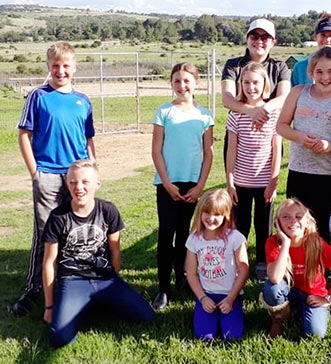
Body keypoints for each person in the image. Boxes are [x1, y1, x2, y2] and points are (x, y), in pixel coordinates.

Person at [11, 41, 96, 316]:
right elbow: (25, 134)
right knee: (47, 233)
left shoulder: (83, 101)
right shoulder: (38, 96)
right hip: (47, 173)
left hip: (77, 177)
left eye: (66, 66)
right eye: (56, 66)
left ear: (75, 67)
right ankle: (34, 288)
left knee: (75, 230)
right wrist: (35, 172)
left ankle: (68, 282)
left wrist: (93, 170)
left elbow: (88, 139)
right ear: (48, 67)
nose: (61, 71)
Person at [42, 160, 156, 348]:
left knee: (147, 316)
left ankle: (97, 301)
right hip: (73, 280)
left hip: (105, 277)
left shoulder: (108, 210)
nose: (79, 187)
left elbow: (115, 250)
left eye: (85, 182)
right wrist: (49, 307)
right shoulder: (58, 217)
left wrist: (115, 280)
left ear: (97, 183)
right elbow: (49, 263)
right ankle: (83, 303)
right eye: (73, 182)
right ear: (67, 184)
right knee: (60, 339)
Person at [151, 62, 214, 310]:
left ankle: (184, 278)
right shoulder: (164, 112)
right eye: (177, 80)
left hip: (191, 183)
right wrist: (166, 183)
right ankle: (163, 288)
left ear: (196, 82)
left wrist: (200, 186)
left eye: (187, 80)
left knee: (186, 235)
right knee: (166, 234)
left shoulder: (205, 115)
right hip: (167, 183)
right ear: (171, 83)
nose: (182, 85)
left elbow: (208, 154)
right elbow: (156, 150)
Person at [277, 46, 331, 243]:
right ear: (311, 73)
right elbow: (281, 126)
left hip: (327, 174)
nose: (325, 77)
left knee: (320, 226)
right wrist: (300, 137)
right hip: (299, 170)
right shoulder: (298, 93)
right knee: (294, 224)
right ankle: (294, 268)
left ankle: (320, 269)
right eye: (319, 72)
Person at [259, 198, 331, 338]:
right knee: (272, 289)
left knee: (315, 334)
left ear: (307, 223)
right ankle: (278, 321)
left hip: (312, 294)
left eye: (298, 216)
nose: (293, 221)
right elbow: (274, 277)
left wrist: (328, 299)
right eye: (286, 217)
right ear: (277, 223)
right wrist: (285, 243)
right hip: (287, 289)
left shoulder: (316, 243)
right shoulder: (273, 242)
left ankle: (297, 311)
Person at [226, 62, 282, 282]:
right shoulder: (236, 115)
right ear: (241, 85)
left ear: (265, 84)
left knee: (263, 225)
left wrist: (273, 182)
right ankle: (240, 262)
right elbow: (231, 150)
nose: (251, 87)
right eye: (247, 82)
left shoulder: (274, 114)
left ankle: (262, 261)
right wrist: (230, 181)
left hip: (264, 183)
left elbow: (277, 150)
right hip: (241, 182)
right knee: (241, 226)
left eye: (256, 82)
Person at [221, 18, 290, 163]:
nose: (259, 41)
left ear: (273, 42)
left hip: (269, 133)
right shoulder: (233, 65)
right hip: (238, 133)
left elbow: (284, 97)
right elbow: (227, 99)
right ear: (247, 39)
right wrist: (250, 111)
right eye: (254, 36)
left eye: (265, 37)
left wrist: (262, 110)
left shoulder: (279, 67)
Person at [185, 189, 249, 341]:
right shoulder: (194, 239)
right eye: (207, 213)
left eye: (217, 214)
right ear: (200, 212)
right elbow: (191, 272)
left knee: (232, 337)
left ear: (226, 215)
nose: (211, 218)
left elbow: (243, 269)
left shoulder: (235, 238)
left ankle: (232, 313)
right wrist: (202, 298)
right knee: (204, 337)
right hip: (206, 294)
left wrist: (231, 299)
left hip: (230, 295)